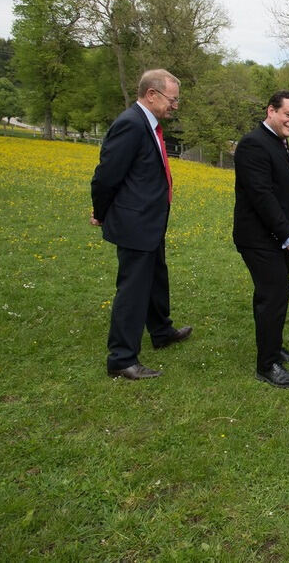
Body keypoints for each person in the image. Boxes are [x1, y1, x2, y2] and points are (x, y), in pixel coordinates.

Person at [90, 69, 192, 380]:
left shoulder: (149, 125)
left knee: (156, 280)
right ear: (151, 94)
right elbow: (106, 175)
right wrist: (101, 211)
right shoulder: (131, 125)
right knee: (133, 289)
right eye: (171, 100)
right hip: (135, 222)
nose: (174, 106)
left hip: (150, 220)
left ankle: (161, 331)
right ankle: (121, 358)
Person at [233, 90, 289, 388]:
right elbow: (262, 197)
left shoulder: (278, 142)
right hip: (258, 237)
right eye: (288, 115)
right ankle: (267, 365)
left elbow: (284, 193)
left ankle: (274, 348)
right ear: (271, 111)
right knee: (272, 297)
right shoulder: (254, 144)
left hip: (274, 237)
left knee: (278, 294)